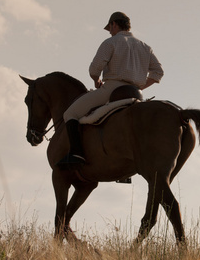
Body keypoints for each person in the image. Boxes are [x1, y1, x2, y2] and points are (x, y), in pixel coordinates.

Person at [58, 12, 164, 166]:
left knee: (70, 113)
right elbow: (158, 72)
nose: (109, 31)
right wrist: (140, 86)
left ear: (114, 24)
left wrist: (97, 80)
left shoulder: (111, 42)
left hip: (112, 89)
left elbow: (94, 69)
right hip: (136, 94)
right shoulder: (145, 47)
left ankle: (76, 154)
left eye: (110, 28)